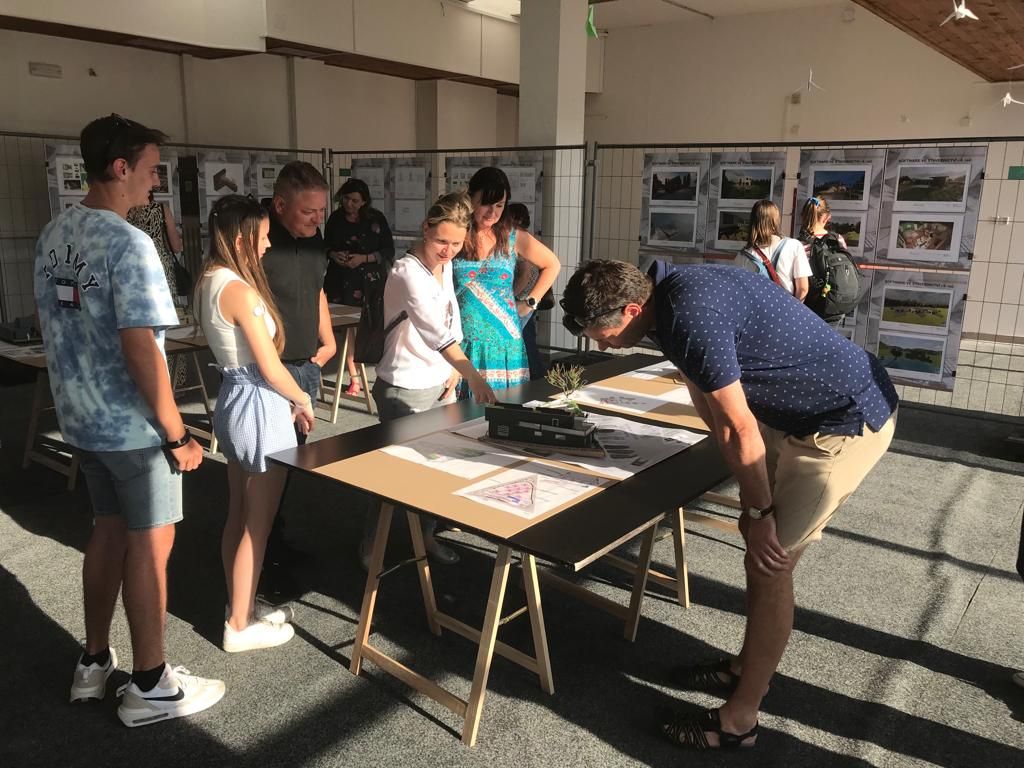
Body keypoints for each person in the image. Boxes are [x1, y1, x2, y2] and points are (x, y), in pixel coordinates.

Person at [560, 259, 898, 751]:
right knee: (757, 543)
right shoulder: (668, 293)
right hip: (795, 415)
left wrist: (760, 513)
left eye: (601, 334)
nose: (600, 346)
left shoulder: (687, 315)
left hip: (842, 422)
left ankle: (740, 722)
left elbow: (737, 427)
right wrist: (750, 500)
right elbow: (706, 396)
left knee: (770, 564)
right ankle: (744, 667)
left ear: (631, 309)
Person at [34, 114, 224, 727]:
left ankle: (93, 662)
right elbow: (142, 348)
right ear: (120, 168)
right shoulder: (130, 243)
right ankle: (150, 682)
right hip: (134, 431)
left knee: (108, 531)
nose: (155, 181)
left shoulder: (53, 233)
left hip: (81, 421)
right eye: (150, 169)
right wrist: (178, 432)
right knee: (150, 543)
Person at [194, 195, 316, 652]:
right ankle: (240, 624)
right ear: (243, 238)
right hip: (260, 406)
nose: (267, 245)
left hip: (234, 399)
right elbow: (270, 367)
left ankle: (240, 606)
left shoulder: (209, 279)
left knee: (239, 515)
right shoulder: (240, 291)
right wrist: (302, 398)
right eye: (263, 236)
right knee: (257, 525)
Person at [358, 192, 498, 568]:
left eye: (456, 244)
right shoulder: (406, 272)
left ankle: (426, 537)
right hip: (405, 384)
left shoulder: (444, 265)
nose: (448, 251)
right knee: (394, 470)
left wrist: (453, 371)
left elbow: (451, 316)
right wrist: (473, 376)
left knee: (436, 466)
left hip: (440, 379)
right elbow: (436, 332)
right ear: (425, 229)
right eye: (441, 241)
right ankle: (372, 545)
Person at [261, 161, 337, 593]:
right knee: (267, 467)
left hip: (307, 364)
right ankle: (262, 559)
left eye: (321, 210)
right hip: (273, 369)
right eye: (308, 211)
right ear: (280, 204)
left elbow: (317, 289)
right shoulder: (259, 241)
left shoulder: (315, 239)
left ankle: (277, 540)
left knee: (290, 462)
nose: (316, 219)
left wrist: (328, 338)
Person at [454, 167, 560, 397]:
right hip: (462, 343)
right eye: (485, 203)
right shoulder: (456, 233)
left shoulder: (513, 236)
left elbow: (552, 264)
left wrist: (530, 303)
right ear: (471, 199)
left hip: (505, 342)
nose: (492, 212)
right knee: (460, 410)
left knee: (504, 407)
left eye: (500, 205)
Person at [324, 178, 395, 395]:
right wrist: (334, 255)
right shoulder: (336, 218)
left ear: (364, 201)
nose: (349, 204)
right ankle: (354, 376)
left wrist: (363, 258)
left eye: (355, 201)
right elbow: (325, 245)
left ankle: (381, 373)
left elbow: (388, 250)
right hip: (341, 280)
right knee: (348, 331)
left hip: (370, 281)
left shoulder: (376, 219)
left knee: (374, 325)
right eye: (346, 199)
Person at [735, 200, 811, 302]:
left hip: (757, 308)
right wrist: (792, 308)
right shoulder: (794, 246)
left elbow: (739, 290)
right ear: (775, 220)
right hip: (785, 307)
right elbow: (803, 289)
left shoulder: (742, 255)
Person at [506, 202, 549, 379]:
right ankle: (537, 376)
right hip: (528, 299)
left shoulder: (520, 241)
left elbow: (525, 275)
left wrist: (509, 298)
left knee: (524, 341)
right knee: (527, 338)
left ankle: (535, 377)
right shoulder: (529, 239)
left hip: (523, 300)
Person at [127, 191, 184, 302]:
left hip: (133, 269)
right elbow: (176, 247)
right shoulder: (161, 209)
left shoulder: (123, 211)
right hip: (161, 268)